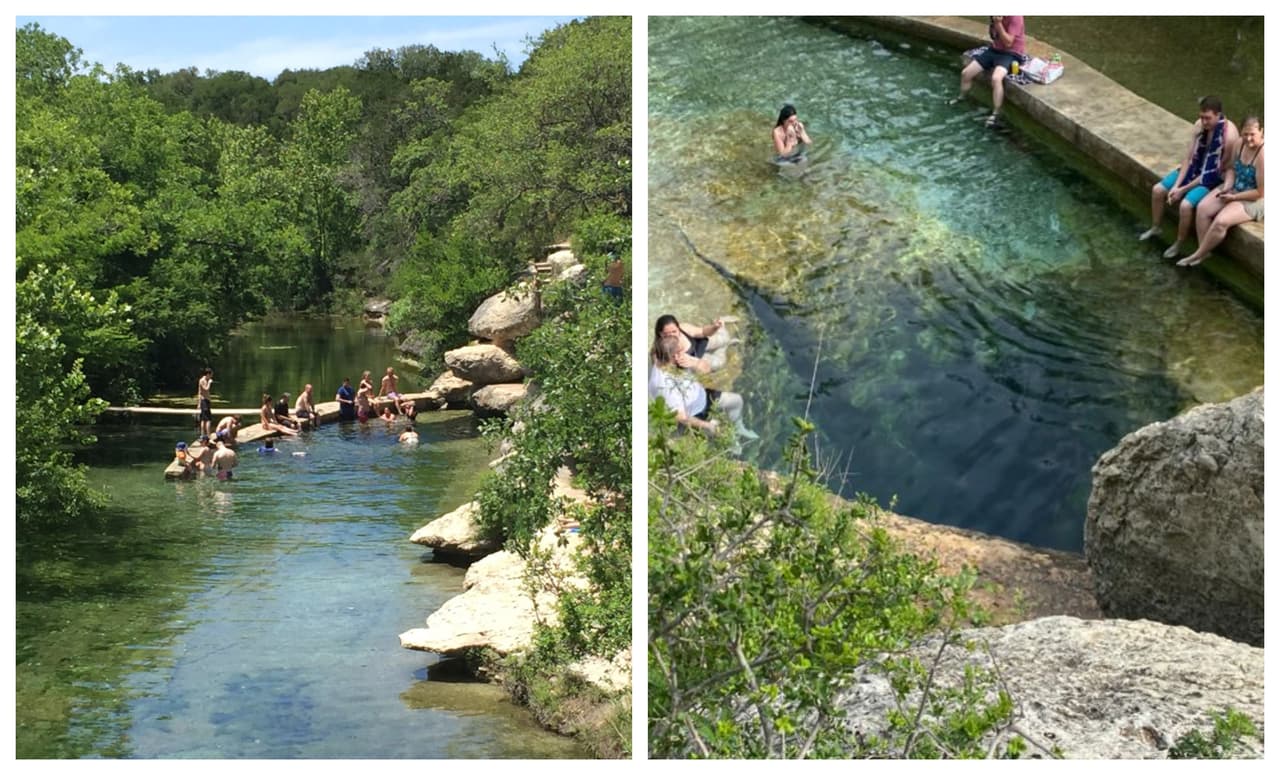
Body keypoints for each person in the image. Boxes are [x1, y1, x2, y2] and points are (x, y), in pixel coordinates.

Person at [1140, 96, 1239, 258]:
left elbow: (1213, 172)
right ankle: (1156, 227)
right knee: (1158, 190)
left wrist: (1183, 190)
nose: (1204, 122)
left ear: (1218, 115)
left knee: (1185, 205)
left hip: (1212, 177)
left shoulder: (1229, 137)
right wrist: (1175, 186)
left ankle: (1179, 243)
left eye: (1208, 118)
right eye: (1202, 117)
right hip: (1195, 168)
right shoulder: (1199, 125)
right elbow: (1188, 158)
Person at [1178, 116, 1264, 267]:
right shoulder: (1239, 144)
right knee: (1202, 208)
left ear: (1262, 132)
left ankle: (1197, 255)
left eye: (1253, 134)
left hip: (1255, 197)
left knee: (1221, 222)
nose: (1248, 139)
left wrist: (1234, 197)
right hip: (1235, 186)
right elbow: (1231, 168)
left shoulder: (1264, 156)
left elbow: (1260, 192)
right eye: (1245, 134)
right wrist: (1226, 187)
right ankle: (1205, 252)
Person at [651, 336, 757, 440]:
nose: (685, 352)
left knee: (736, 401)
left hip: (702, 396)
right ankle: (732, 443)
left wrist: (694, 362)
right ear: (675, 356)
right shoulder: (664, 385)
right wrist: (706, 425)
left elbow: (706, 370)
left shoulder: (665, 358)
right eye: (681, 350)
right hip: (694, 412)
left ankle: (739, 428)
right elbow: (680, 417)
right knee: (716, 433)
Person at [952, 15, 1026, 127]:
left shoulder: (1015, 16)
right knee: (966, 73)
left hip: (1011, 53)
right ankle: (962, 97)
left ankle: (996, 113)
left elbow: (1008, 42)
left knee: (996, 78)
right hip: (994, 50)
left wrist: (998, 24)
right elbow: (993, 36)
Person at [651, 314, 736, 376]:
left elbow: (703, 332)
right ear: (660, 334)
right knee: (719, 363)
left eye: (674, 331)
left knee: (724, 338)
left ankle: (719, 322)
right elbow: (663, 372)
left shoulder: (684, 328)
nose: (672, 335)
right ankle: (724, 348)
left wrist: (714, 327)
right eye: (666, 334)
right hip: (695, 358)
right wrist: (691, 362)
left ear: (678, 328)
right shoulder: (659, 352)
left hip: (700, 344)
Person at [196, 368, 214, 438]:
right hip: (204, 401)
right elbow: (206, 389)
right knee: (208, 419)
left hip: (205, 401)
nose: (211, 377)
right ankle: (207, 435)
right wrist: (209, 383)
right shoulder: (202, 380)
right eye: (211, 375)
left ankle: (203, 434)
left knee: (204, 419)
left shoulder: (204, 380)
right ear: (208, 374)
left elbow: (200, 392)